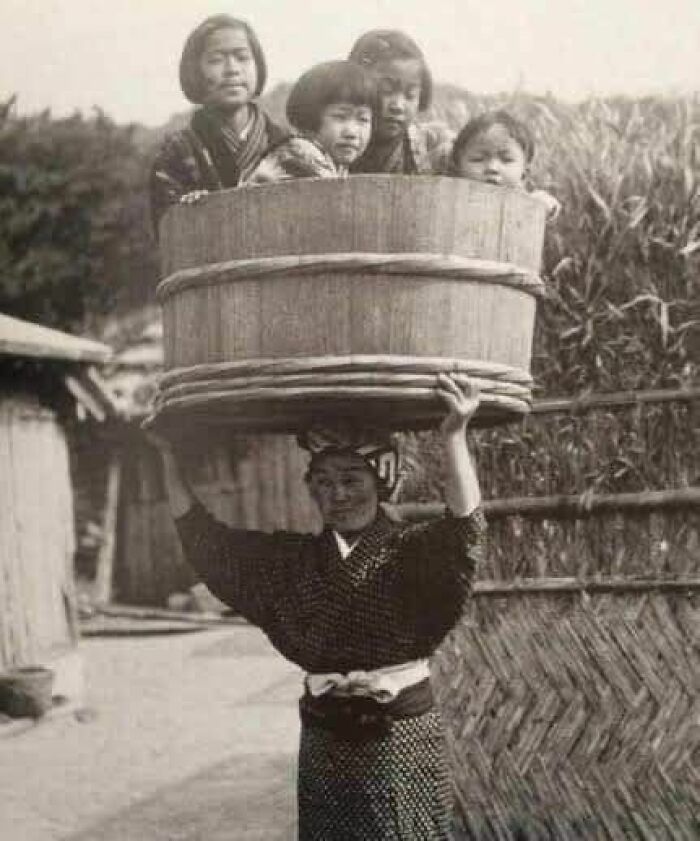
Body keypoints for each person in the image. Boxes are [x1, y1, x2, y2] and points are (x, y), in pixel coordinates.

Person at [152, 374, 486, 840]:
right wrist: (168, 457)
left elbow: (464, 528)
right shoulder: (292, 563)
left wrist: (454, 436)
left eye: (351, 479)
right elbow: (206, 541)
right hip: (324, 739)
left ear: (382, 482)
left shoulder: (414, 553)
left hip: (401, 736)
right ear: (311, 489)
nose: (338, 494)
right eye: (324, 482)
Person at [149, 14, 287, 230]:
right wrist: (196, 212)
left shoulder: (287, 145)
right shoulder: (176, 153)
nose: (232, 69)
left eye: (242, 57)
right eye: (216, 60)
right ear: (195, 71)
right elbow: (170, 232)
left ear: (258, 65)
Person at [246, 60, 375, 184]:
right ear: (311, 115)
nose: (351, 132)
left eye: (363, 119)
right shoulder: (300, 154)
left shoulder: (336, 165)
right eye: (340, 117)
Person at [348, 29, 453, 175]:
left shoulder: (433, 149)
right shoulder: (331, 146)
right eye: (386, 90)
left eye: (410, 95)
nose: (398, 106)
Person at [450, 109, 561, 218]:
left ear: (524, 173)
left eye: (506, 159)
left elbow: (544, 203)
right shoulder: (450, 201)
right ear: (458, 167)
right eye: (478, 159)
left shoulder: (524, 204)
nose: (492, 168)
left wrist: (539, 204)